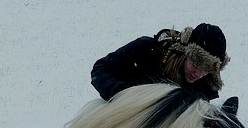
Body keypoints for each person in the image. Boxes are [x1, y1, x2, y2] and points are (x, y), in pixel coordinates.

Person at [91, 23, 230, 101]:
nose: (199, 74)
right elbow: (101, 68)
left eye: (206, 70)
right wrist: (121, 93)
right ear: (184, 52)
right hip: (118, 118)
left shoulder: (203, 90)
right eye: (195, 64)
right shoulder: (146, 50)